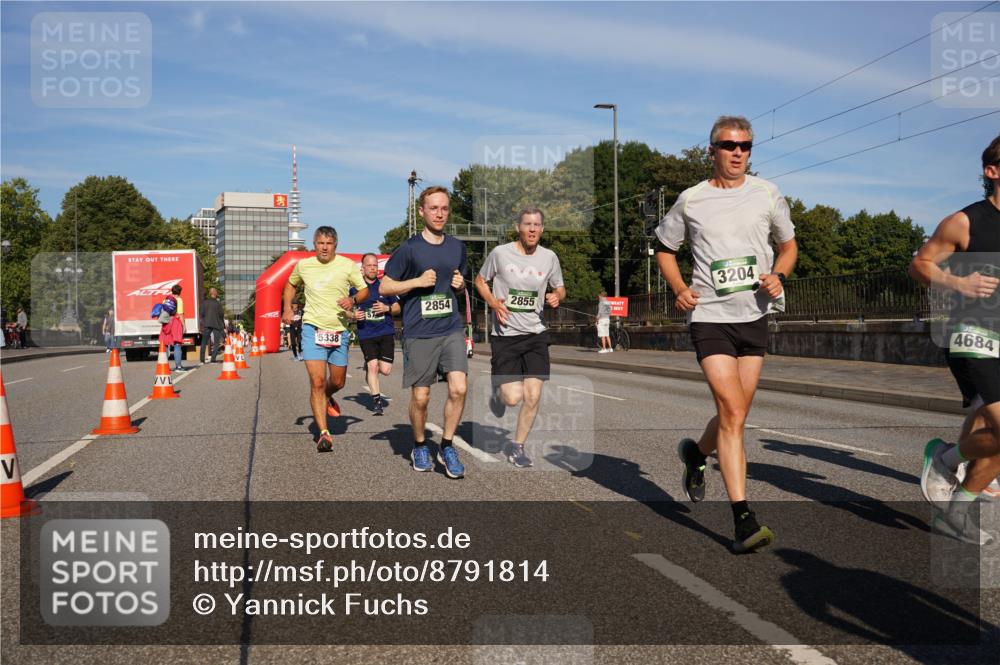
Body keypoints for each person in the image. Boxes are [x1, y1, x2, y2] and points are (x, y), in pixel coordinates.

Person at [655, 115, 797, 554]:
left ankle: (697, 454)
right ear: (712, 150)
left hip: (754, 316)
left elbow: (789, 246)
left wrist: (779, 275)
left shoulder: (767, 193)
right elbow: (664, 249)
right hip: (710, 317)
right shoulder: (692, 199)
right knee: (733, 412)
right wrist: (680, 289)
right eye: (729, 145)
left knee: (735, 414)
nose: (738, 153)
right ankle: (743, 519)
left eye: (745, 146)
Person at [910, 134, 1000, 545]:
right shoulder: (965, 221)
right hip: (975, 335)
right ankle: (946, 459)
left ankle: (956, 513)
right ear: (992, 171)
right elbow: (920, 264)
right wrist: (958, 283)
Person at [380, 186, 469, 479]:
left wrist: (461, 285)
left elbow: (460, 283)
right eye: (433, 208)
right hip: (419, 331)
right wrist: (416, 282)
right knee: (421, 397)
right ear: (421, 212)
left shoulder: (457, 247)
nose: (439, 214)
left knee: (459, 388)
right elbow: (385, 286)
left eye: (444, 208)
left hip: (451, 327)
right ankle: (419, 445)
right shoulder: (409, 249)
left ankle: (447, 446)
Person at [476, 207, 565, 467]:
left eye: (537, 225)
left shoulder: (549, 257)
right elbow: (480, 281)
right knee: (512, 398)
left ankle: (517, 447)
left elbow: (560, 287)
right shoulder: (500, 253)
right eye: (527, 224)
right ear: (518, 227)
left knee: (533, 395)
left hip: (536, 333)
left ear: (542, 229)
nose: (532, 229)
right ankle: (498, 390)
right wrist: (493, 302)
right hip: (506, 335)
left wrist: (557, 296)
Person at [282, 226, 368, 452]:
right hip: (312, 328)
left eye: (329, 243)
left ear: (335, 245)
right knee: (317, 382)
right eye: (320, 243)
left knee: (338, 382)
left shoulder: (347, 265)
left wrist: (353, 300)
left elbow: (364, 290)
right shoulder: (304, 265)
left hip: (339, 330)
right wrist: (287, 308)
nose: (324, 247)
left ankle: (327, 396)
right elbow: (290, 284)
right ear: (314, 244)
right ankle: (323, 433)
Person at [352, 253, 401, 416]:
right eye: (369, 265)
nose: (373, 268)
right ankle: (377, 401)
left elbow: (397, 308)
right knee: (373, 366)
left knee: (385, 370)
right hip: (366, 332)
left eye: (375, 265)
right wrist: (353, 315)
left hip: (385, 331)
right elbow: (345, 309)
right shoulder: (356, 289)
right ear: (363, 268)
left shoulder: (385, 287)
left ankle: (369, 366)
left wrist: (387, 308)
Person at [158, 284, 186, 371]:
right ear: (180, 292)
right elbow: (180, 314)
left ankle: (164, 366)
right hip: (175, 323)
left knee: (166, 344)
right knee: (177, 344)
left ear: (172, 291)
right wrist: (184, 325)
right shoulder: (179, 300)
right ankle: (178, 366)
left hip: (166, 323)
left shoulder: (165, 300)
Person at [199, 287, 226, 364]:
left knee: (204, 341)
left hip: (207, 324)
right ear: (215, 294)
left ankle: (202, 359)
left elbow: (202, 313)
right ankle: (213, 359)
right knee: (216, 342)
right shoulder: (218, 303)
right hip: (216, 324)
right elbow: (221, 315)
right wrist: (223, 326)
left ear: (210, 293)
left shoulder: (205, 302)